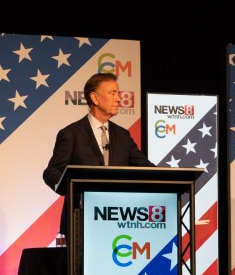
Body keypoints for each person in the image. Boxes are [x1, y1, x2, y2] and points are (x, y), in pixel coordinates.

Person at [42, 72, 154, 236]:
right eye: (113, 93)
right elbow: (51, 172)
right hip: (80, 222)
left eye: (119, 93)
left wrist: (171, 178)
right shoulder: (71, 134)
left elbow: (145, 167)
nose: (119, 99)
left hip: (119, 221)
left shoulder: (123, 135)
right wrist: (72, 188)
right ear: (94, 98)